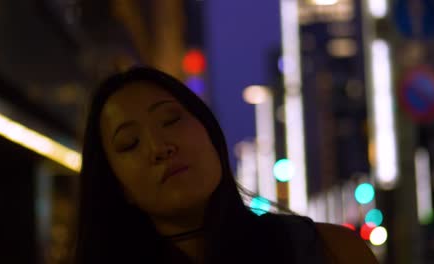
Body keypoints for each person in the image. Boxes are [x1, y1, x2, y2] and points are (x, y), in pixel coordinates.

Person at [73, 66, 378, 264]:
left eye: (171, 119)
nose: (159, 147)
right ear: (117, 184)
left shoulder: (332, 251)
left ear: (210, 134)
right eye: (130, 143)